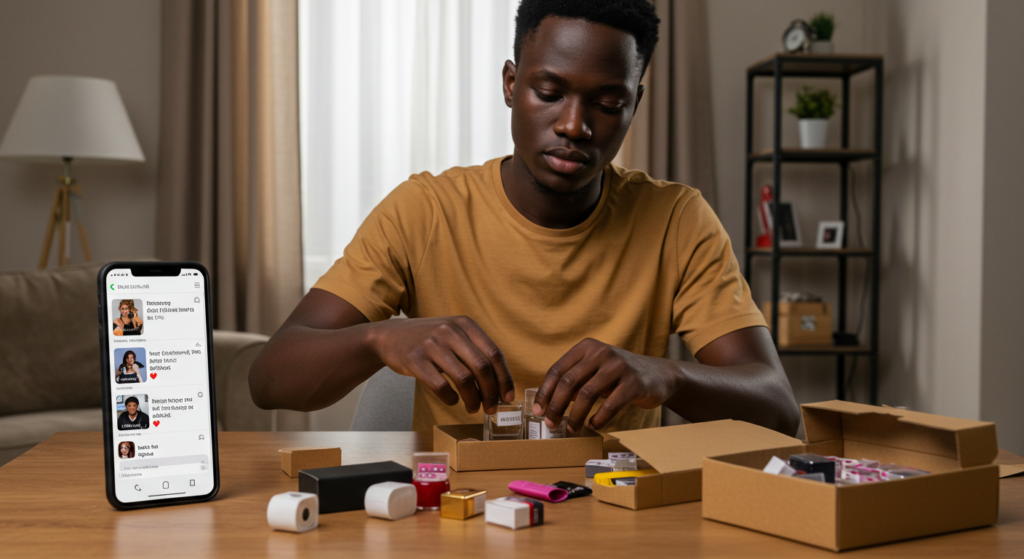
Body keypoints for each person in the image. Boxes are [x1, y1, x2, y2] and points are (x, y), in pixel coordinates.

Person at [249, 0, 800, 436]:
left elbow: (778, 407)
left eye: (608, 104)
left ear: (635, 102)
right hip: (456, 517)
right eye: (549, 92)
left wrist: (666, 374)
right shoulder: (424, 211)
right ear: (511, 84)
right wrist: (380, 340)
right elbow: (270, 379)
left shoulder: (677, 219)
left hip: (616, 518)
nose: (574, 126)